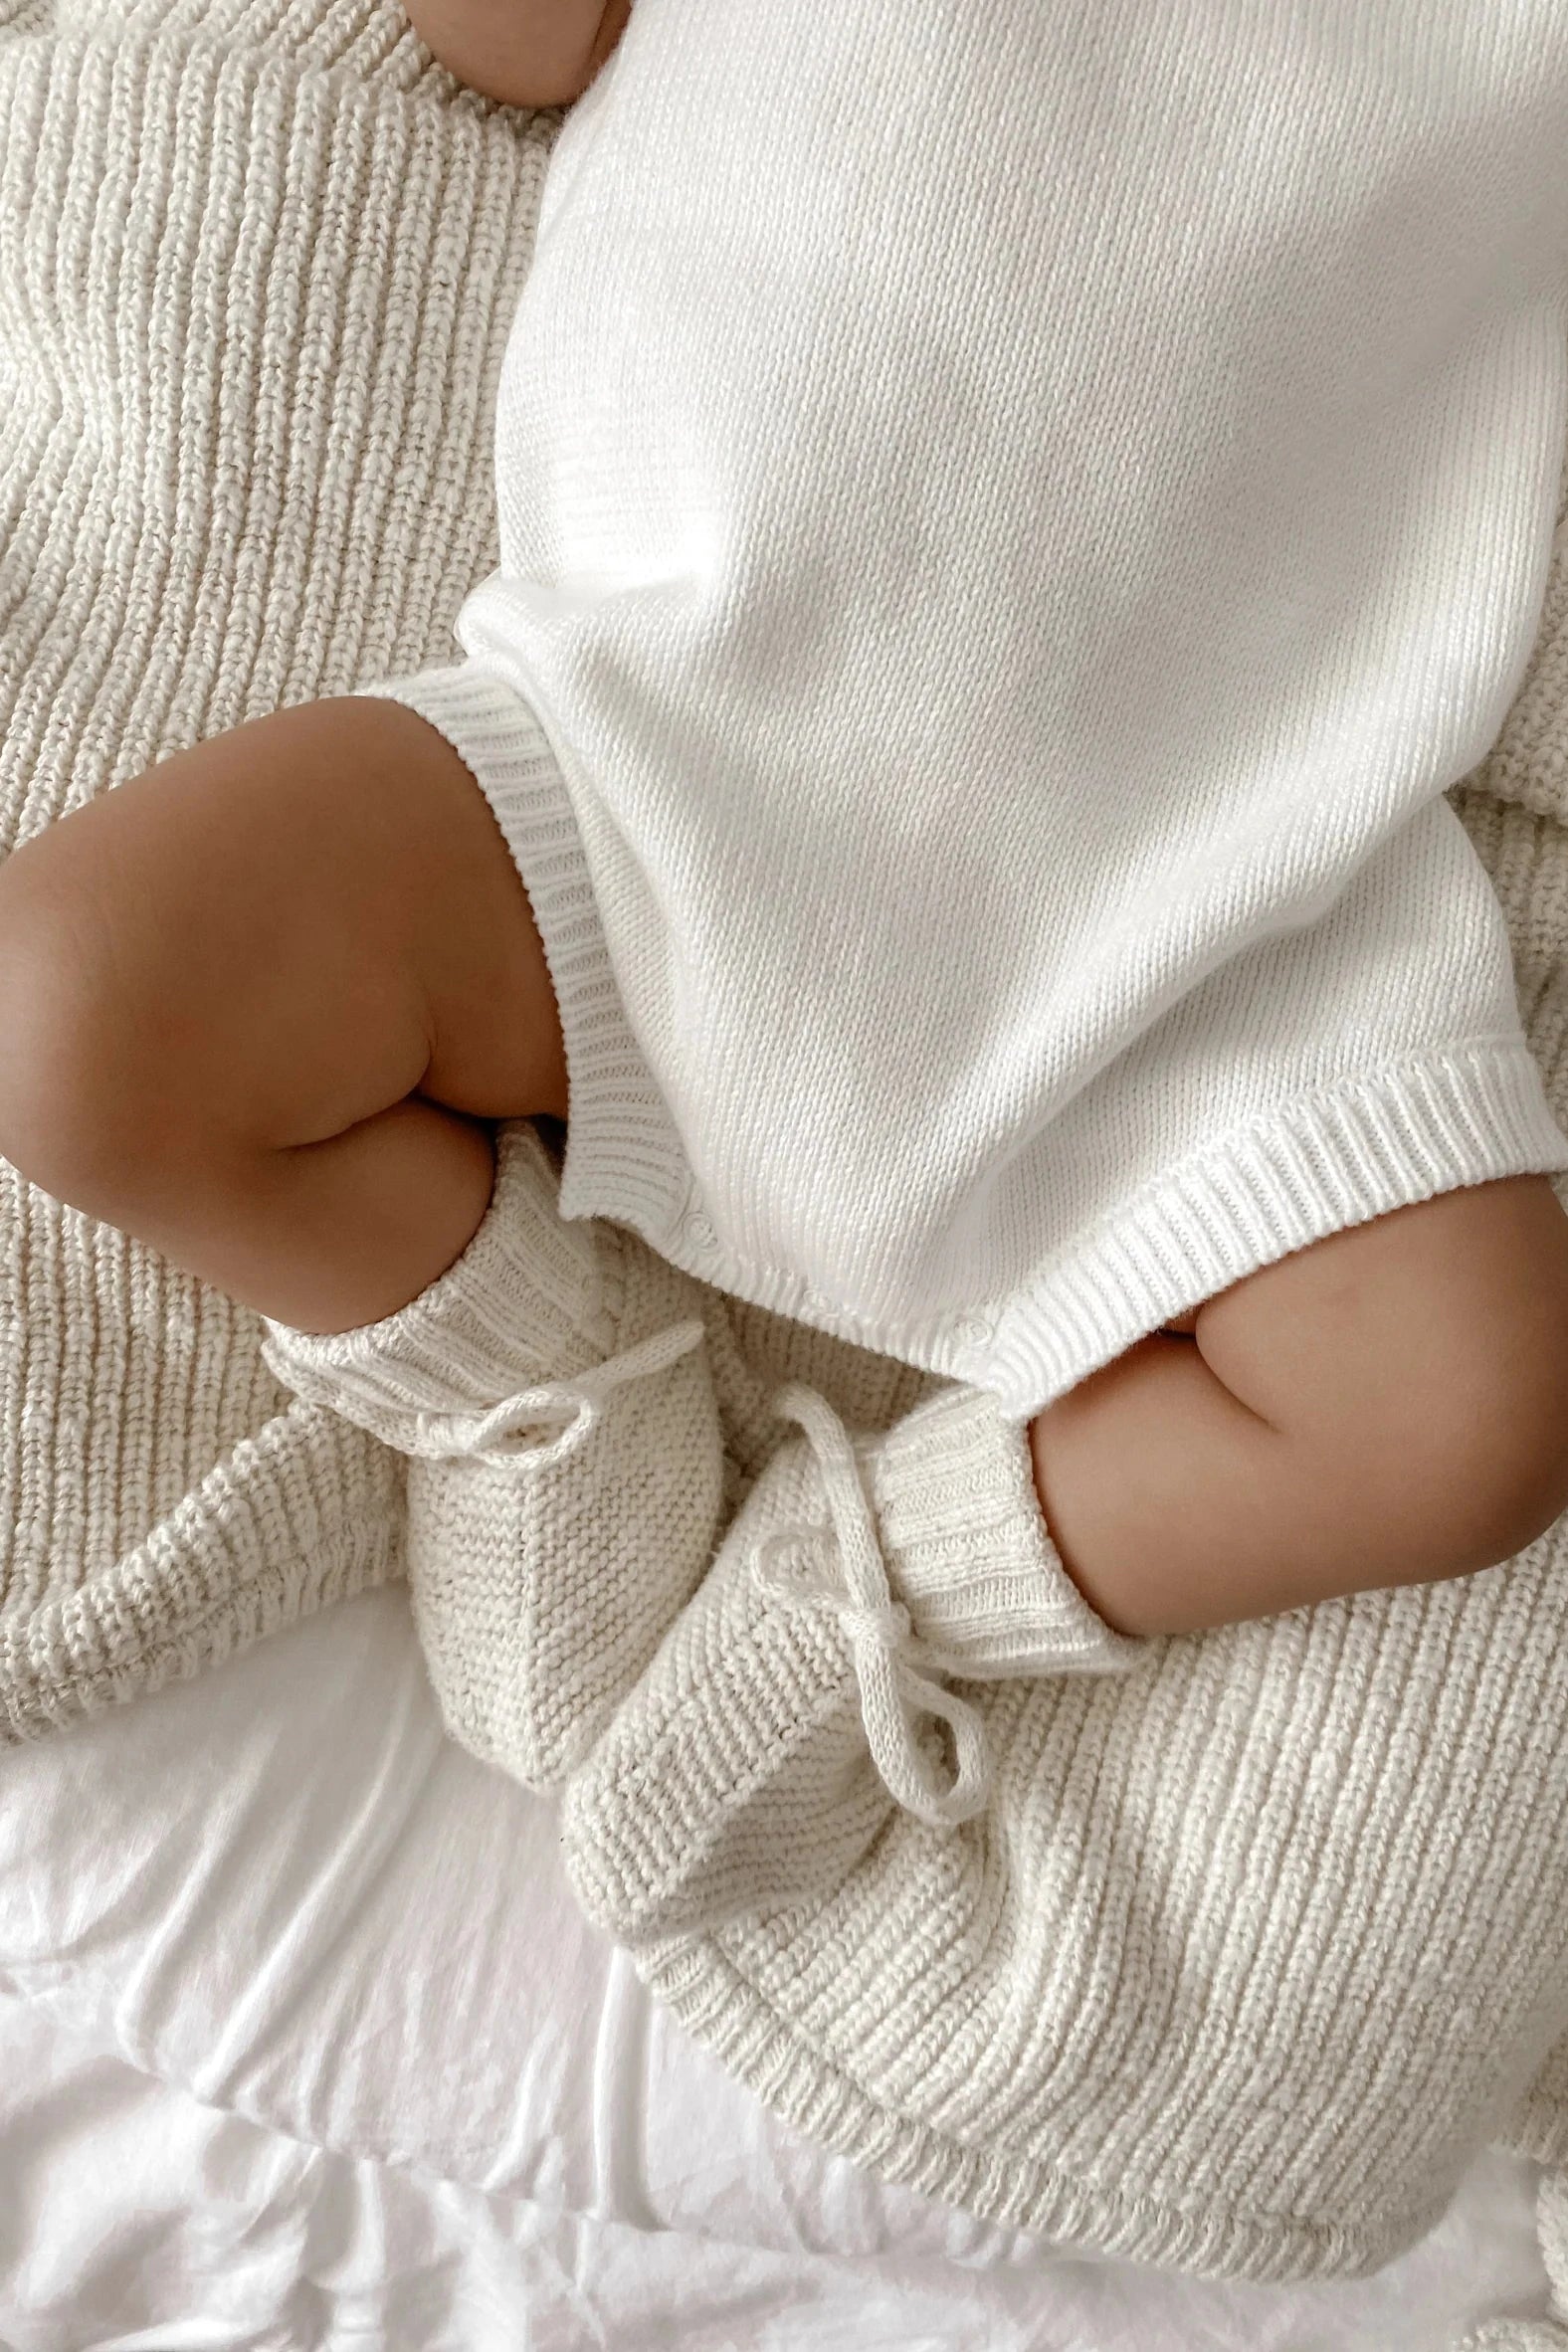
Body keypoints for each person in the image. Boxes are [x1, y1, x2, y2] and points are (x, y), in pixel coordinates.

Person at [0, 0, 1566, 1655]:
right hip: (663, 740)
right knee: (67, 1012)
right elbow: (517, 42)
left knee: (1467, 1419)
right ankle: (552, 1388)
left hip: (1229, 866)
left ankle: (835, 1607)